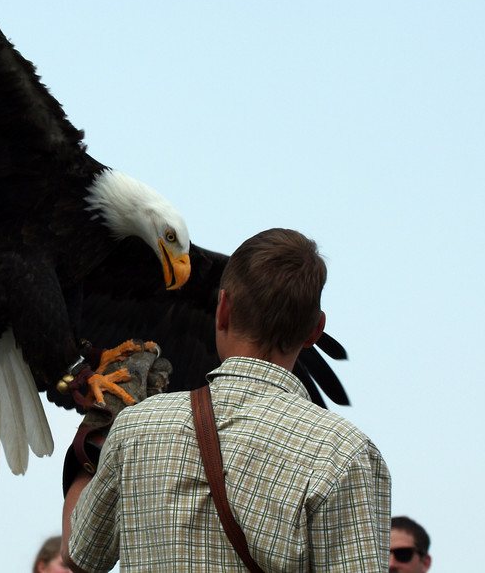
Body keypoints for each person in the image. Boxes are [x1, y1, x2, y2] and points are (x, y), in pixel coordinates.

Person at [62, 228, 391, 572]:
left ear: (222, 310)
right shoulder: (342, 452)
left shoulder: (135, 430)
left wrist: (93, 441)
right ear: (314, 331)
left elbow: (78, 553)